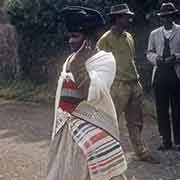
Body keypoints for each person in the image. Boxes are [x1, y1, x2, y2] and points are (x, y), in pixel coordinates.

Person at [45, 6, 128, 180]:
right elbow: (64, 97)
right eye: (70, 36)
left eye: (75, 36)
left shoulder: (105, 60)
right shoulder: (70, 59)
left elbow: (90, 93)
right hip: (68, 129)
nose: (70, 41)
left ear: (88, 39)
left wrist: (81, 60)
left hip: (93, 129)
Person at [97, 3, 158, 163]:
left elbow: (130, 60)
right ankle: (104, 153)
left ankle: (141, 152)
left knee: (136, 121)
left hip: (134, 83)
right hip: (117, 85)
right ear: (117, 19)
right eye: (126, 16)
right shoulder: (105, 40)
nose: (129, 19)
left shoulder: (129, 36)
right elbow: (99, 65)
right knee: (111, 121)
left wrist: (137, 83)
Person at [146, 2, 180, 151]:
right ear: (161, 18)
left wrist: (176, 57)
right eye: (164, 17)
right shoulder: (154, 34)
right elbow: (149, 53)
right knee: (161, 108)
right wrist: (156, 59)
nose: (167, 19)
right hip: (160, 74)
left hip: (176, 73)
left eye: (169, 16)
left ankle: (179, 141)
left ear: (173, 16)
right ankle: (166, 140)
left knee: (178, 108)